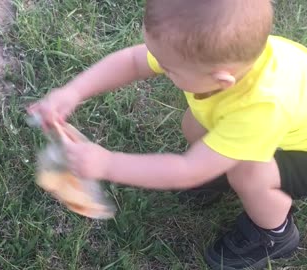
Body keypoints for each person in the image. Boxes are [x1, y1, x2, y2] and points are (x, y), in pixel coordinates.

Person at [28, 0, 307, 268]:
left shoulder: (261, 107)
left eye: (168, 68)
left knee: (248, 173)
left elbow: (187, 170)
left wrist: (107, 164)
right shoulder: (212, 55)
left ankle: (274, 233)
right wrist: (73, 91)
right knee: (195, 124)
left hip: (302, 152)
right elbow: (134, 61)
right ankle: (219, 173)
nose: (159, 67)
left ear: (221, 80)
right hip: (282, 125)